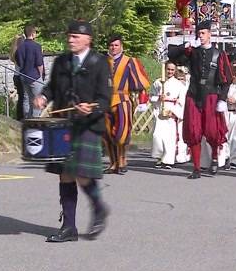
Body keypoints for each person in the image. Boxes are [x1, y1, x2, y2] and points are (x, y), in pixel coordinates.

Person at [34, 20, 111, 242]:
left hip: (87, 125)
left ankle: (98, 208)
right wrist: (43, 97)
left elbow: (105, 99)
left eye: (75, 36)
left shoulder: (99, 62)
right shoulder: (61, 61)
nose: (70, 39)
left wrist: (91, 107)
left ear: (88, 39)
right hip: (63, 124)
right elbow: (52, 87)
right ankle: (69, 227)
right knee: (65, 174)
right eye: (69, 36)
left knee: (83, 175)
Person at [167, 20, 233, 179]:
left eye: (203, 33)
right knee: (193, 131)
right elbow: (171, 55)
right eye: (199, 33)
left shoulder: (219, 54)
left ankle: (215, 159)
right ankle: (196, 168)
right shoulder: (193, 52)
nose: (200, 36)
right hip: (194, 94)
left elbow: (227, 79)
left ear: (210, 34)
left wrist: (222, 99)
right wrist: (184, 46)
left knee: (212, 131)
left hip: (211, 95)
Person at [103, 35, 150, 174]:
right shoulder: (103, 62)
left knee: (121, 132)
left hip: (122, 99)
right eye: (111, 45)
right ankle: (113, 163)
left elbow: (140, 81)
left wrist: (142, 99)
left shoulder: (129, 61)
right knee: (107, 134)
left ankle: (122, 160)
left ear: (121, 46)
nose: (114, 48)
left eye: (116, 45)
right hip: (105, 100)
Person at [150, 62, 186, 169]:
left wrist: (174, 112)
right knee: (158, 136)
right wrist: (158, 98)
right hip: (160, 112)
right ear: (165, 69)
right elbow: (151, 96)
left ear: (175, 71)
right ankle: (159, 158)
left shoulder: (179, 84)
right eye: (168, 69)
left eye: (172, 70)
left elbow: (182, 100)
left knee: (169, 138)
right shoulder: (158, 82)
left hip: (171, 112)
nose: (170, 72)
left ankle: (168, 160)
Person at [15, 25, 44, 118]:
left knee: (27, 99)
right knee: (37, 100)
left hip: (23, 76)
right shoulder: (36, 46)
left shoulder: (19, 47)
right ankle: (35, 121)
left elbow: (18, 62)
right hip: (34, 76)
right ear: (33, 33)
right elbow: (39, 63)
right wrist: (40, 74)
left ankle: (27, 120)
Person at [9, 34, 26, 121]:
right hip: (21, 76)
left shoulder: (14, 51)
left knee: (21, 98)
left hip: (16, 76)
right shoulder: (20, 51)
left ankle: (19, 117)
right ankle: (22, 117)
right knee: (24, 98)